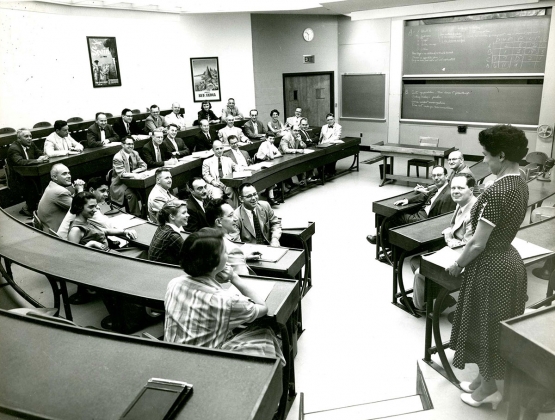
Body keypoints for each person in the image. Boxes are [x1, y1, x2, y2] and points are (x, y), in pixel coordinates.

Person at [446, 125, 529, 410]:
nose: (484, 162)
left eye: (486, 156)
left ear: (501, 155)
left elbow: (478, 244)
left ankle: (490, 389)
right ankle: (484, 380)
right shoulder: (520, 180)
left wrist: (457, 264)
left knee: (485, 327)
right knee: (488, 325)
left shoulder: (498, 191)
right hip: (507, 260)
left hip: (492, 266)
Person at [164, 228, 285, 365]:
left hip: (172, 357)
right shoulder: (226, 301)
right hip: (206, 364)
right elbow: (263, 308)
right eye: (225, 252)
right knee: (265, 331)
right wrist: (234, 277)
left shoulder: (174, 284)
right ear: (214, 265)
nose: (227, 254)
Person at [410, 173, 478, 313]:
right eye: (453, 188)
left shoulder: (473, 211)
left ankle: (420, 307)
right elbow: (454, 225)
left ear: (471, 190)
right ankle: (442, 299)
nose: (455, 191)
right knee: (415, 261)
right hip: (455, 250)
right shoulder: (463, 203)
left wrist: (448, 238)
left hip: (464, 261)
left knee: (419, 271)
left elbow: (469, 246)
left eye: (460, 188)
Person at [67, 191, 136, 304]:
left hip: (107, 256)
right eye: (91, 207)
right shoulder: (76, 229)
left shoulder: (86, 221)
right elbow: (73, 256)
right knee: (137, 262)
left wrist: (124, 231)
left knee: (138, 254)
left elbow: (105, 231)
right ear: (79, 207)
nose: (95, 209)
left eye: (95, 206)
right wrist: (91, 244)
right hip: (100, 264)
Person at [366, 165, 456, 246]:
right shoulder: (438, 187)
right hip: (421, 214)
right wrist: (407, 200)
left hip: (425, 221)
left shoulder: (448, 194)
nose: (436, 178)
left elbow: (443, 218)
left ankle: (382, 240)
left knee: (392, 216)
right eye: (434, 175)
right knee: (392, 219)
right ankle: (386, 243)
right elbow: (425, 195)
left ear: (446, 176)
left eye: (439, 175)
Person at [205, 198, 262, 275]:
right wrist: (238, 255)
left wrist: (242, 256)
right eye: (231, 215)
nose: (236, 218)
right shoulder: (232, 250)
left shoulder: (204, 238)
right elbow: (244, 279)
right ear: (218, 222)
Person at [6, 128, 49, 216]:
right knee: (33, 183)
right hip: (18, 178)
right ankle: (28, 208)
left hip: (30, 173)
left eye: (30, 136)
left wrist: (44, 156)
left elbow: (39, 153)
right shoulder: (14, 148)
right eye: (26, 136)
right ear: (19, 139)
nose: (29, 138)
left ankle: (41, 205)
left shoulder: (31, 144)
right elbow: (20, 162)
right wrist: (37, 161)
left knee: (46, 176)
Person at [37, 163, 85, 232]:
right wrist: (80, 190)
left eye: (69, 173)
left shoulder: (51, 186)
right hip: (57, 233)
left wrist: (77, 191)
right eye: (64, 174)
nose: (69, 176)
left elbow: (74, 202)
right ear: (54, 177)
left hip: (48, 228)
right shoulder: (60, 192)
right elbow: (81, 208)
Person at [110, 136, 147, 217]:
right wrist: (135, 175)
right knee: (131, 194)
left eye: (132, 144)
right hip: (120, 183)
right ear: (122, 145)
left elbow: (144, 165)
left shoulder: (135, 153)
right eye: (128, 144)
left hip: (132, 181)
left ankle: (145, 212)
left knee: (145, 190)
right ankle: (136, 215)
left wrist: (134, 172)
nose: (131, 146)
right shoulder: (117, 157)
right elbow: (122, 174)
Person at [148, 200, 188, 265]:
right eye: (184, 213)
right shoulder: (173, 236)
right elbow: (192, 257)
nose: (188, 215)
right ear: (172, 216)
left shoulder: (162, 226)